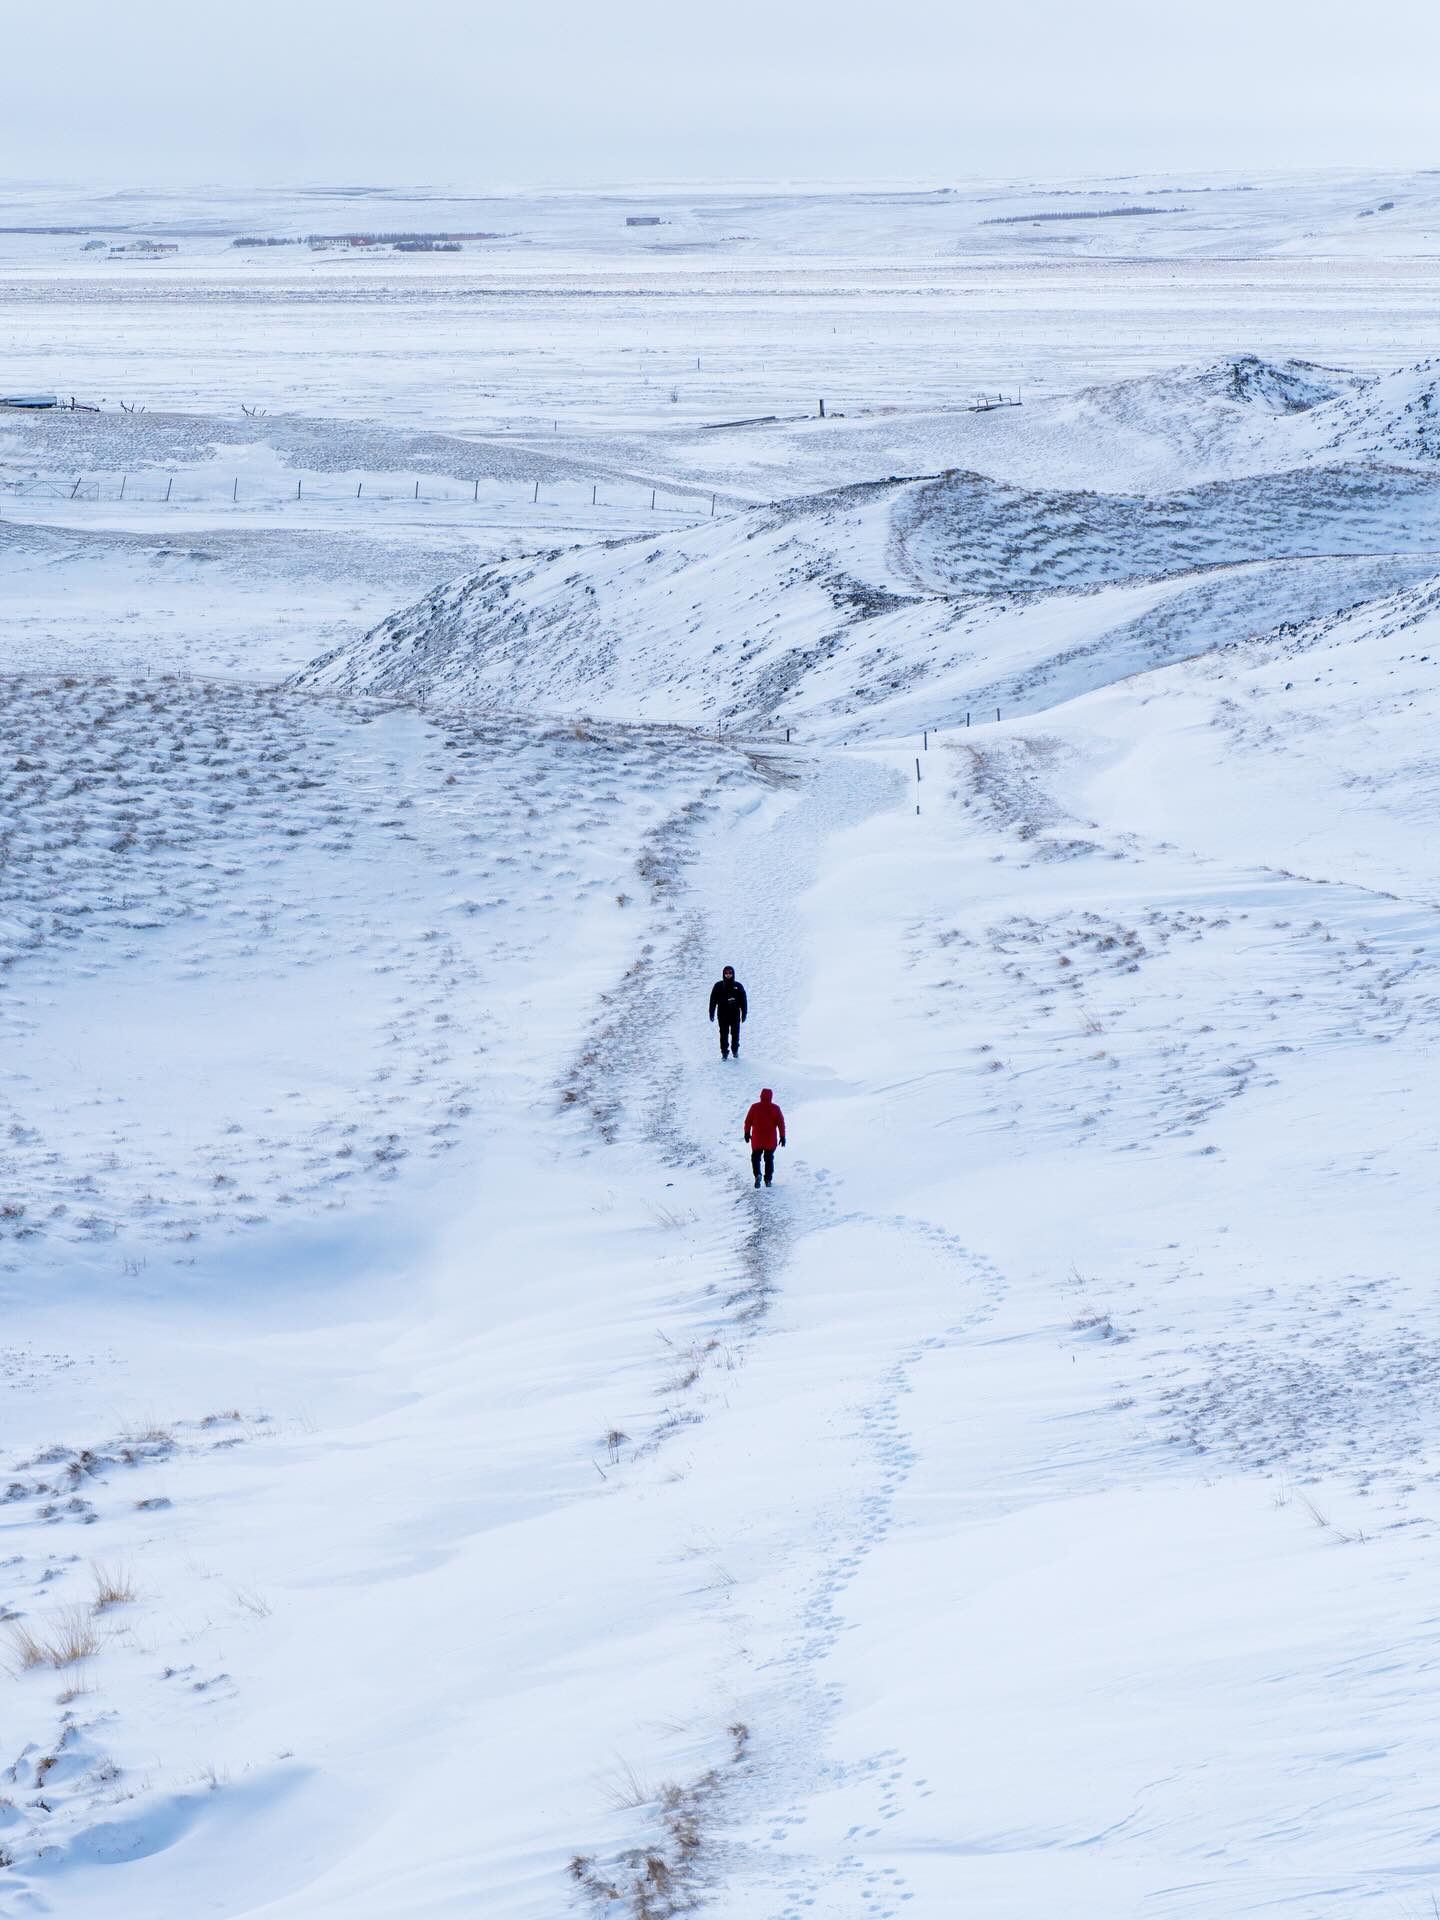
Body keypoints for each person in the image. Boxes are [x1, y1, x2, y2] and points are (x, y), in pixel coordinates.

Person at [744, 1087, 786, 1188]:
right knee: (769, 1159)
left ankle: (757, 1174)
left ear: (761, 1096)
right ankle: (768, 1180)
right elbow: (781, 1124)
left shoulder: (754, 1107)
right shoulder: (776, 1108)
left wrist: (746, 1133)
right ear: (771, 1097)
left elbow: (748, 1121)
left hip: (757, 1139)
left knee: (755, 1157)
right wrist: (782, 1136)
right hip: (770, 1140)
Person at [708, 965, 748, 1059]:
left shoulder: (738, 986)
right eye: (726, 973)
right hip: (722, 1014)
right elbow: (713, 1000)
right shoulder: (718, 986)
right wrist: (711, 1013)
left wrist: (744, 1013)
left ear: (733, 974)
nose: (728, 975)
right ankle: (724, 1053)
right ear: (723, 974)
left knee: (735, 1033)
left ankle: (735, 1050)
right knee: (723, 1034)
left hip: (735, 1014)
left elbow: (744, 1001)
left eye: (730, 973)